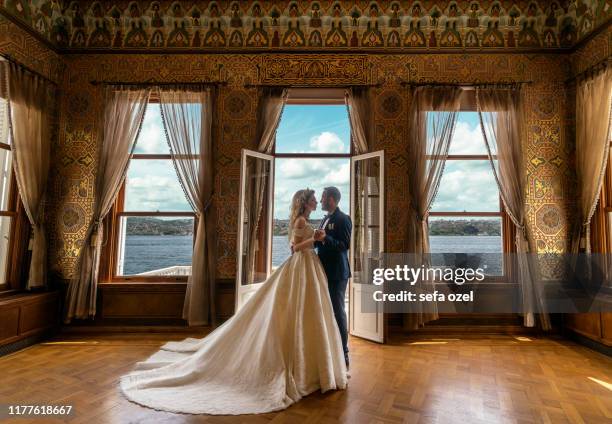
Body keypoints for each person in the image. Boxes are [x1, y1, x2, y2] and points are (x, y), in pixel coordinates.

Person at [119, 189, 347, 415]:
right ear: (306, 202)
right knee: (297, 313)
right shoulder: (300, 220)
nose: (318, 201)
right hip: (302, 267)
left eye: (320, 198)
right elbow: (295, 248)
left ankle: (315, 365)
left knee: (313, 315)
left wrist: (315, 239)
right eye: (315, 199)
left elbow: (314, 244)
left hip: (311, 268)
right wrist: (314, 239)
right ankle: (303, 367)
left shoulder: (317, 219)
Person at [314, 187, 352, 369]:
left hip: (337, 274)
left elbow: (344, 245)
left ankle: (344, 353)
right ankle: (330, 350)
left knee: (338, 312)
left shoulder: (343, 219)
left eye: (322, 197)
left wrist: (326, 238)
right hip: (322, 272)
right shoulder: (324, 219)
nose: (320, 200)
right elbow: (319, 242)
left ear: (331, 199)